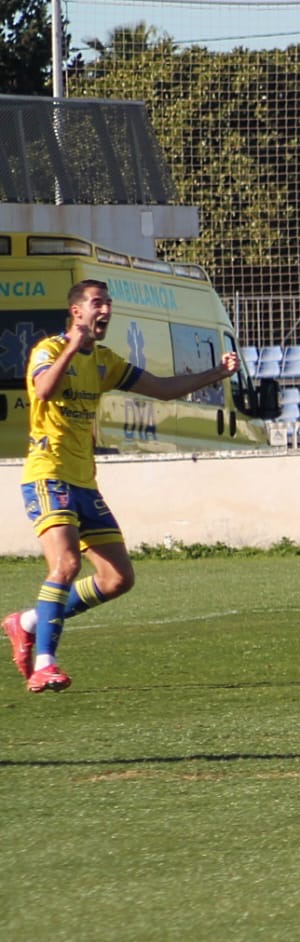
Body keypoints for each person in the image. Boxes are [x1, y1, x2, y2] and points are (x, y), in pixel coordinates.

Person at [4, 279, 242, 693]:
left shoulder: (105, 361)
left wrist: (217, 373)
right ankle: (44, 662)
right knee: (66, 565)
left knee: (117, 578)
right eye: (98, 303)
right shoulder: (48, 350)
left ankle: (25, 622)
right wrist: (71, 347)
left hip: (84, 481)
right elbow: (43, 389)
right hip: (47, 474)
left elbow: (162, 389)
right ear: (76, 311)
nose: (106, 310)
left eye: (108, 303)